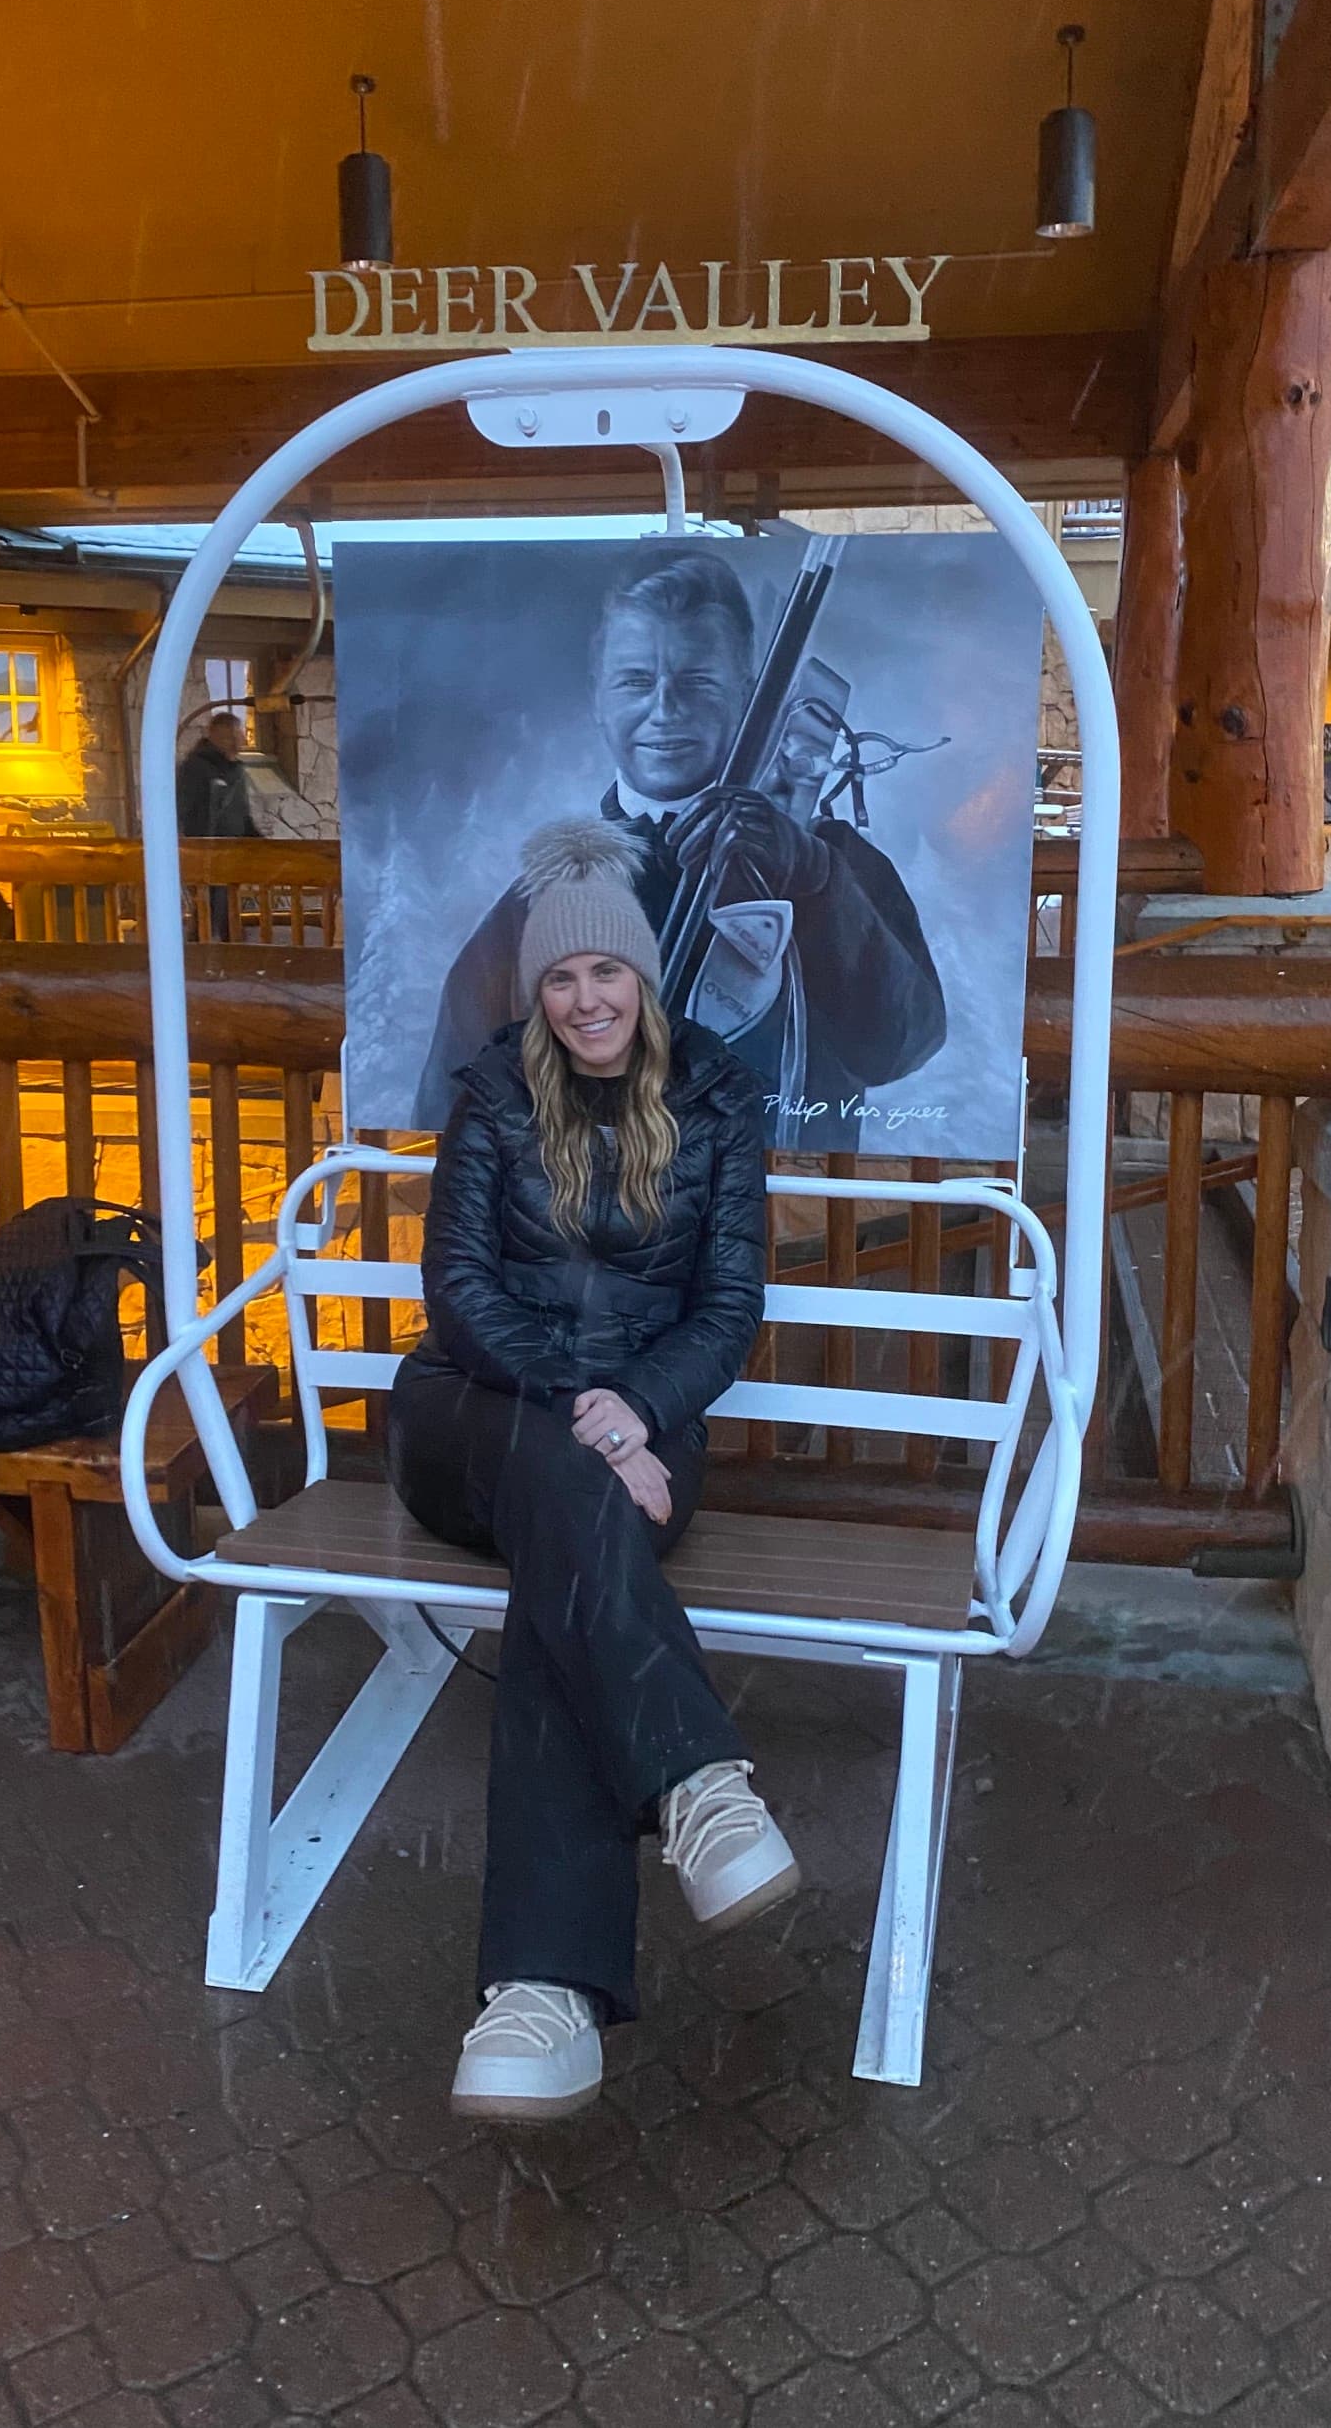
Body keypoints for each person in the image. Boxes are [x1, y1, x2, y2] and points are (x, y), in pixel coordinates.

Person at [390, 816, 799, 2123]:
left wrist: (645, 1407)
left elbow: (725, 1307)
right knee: (571, 1491)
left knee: (560, 1576)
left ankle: (541, 1999)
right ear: (538, 988)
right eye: (561, 978)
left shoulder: (720, 1099)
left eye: (606, 973)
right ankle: (693, 1780)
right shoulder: (495, 1092)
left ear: (643, 975)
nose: (584, 1000)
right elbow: (455, 1289)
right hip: (476, 1416)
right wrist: (590, 1407)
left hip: (641, 1429)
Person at [413, 545, 946, 1127]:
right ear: (598, 697)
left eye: (697, 681)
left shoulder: (827, 862)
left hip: (781, 1212)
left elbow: (902, 1045)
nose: (664, 708)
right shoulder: (541, 899)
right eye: (635, 681)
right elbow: (455, 1106)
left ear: (746, 692)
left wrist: (815, 881)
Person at [175, 711, 256, 939]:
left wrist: (255, 839)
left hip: (232, 848)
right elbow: (183, 807)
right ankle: (211, 949)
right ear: (223, 737)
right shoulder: (197, 768)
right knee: (210, 903)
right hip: (205, 849)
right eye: (238, 734)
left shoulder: (235, 770)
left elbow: (241, 812)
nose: (243, 739)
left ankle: (227, 944)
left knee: (222, 902)